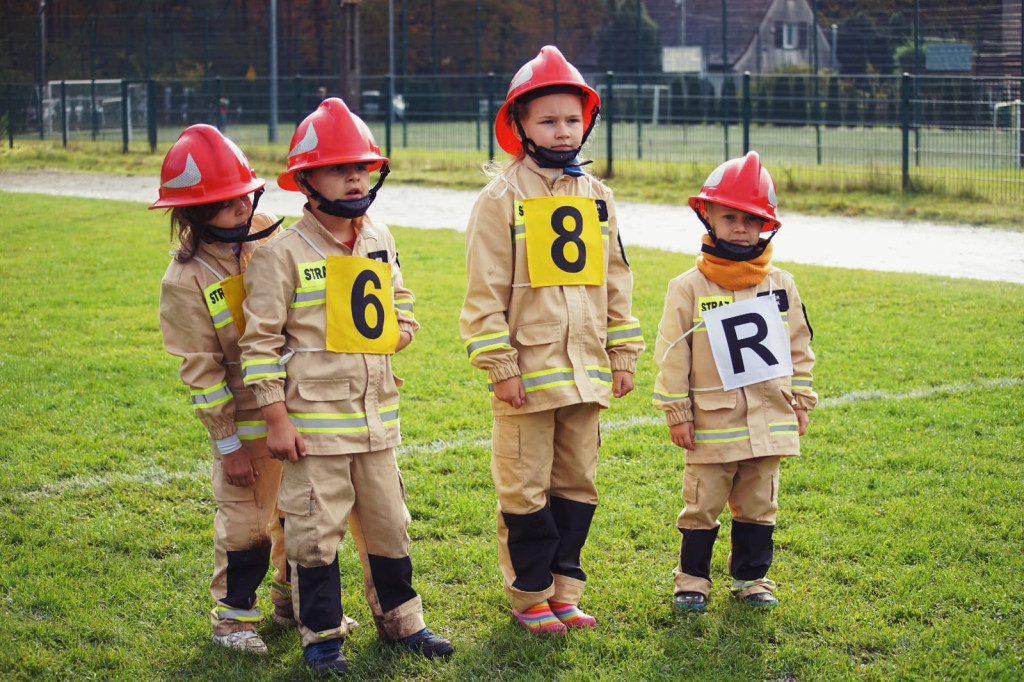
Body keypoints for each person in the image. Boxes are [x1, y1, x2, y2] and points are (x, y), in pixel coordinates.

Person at [238, 97, 453, 674]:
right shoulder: (279, 255)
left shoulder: (378, 236)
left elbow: (399, 303)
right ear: (306, 180)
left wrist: (401, 330)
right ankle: (323, 636)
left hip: (377, 420)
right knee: (315, 533)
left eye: (362, 166)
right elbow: (258, 346)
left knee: (390, 523)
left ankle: (403, 622)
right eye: (339, 167)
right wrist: (275, 417)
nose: (355, 176)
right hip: (313, 429)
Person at [459, 45, 644, 634]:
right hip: (528, 375)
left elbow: (616, 279)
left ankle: (566, 589)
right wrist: (499, 364)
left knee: (577, 485)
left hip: (586, 371)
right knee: (525, 488)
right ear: (518, 125)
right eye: (547, 120)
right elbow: (483, 291)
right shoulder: (500, 199)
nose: (563, 131)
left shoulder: (598, 196)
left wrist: (622, 352)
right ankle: (530, 596)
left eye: (572, 119)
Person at [651, 151, 817, 611]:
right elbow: (672, 355)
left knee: (760, 504)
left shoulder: (782, 283)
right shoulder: (687, 287)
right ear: (707, 215)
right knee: (701, 503)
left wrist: (801, 399)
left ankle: (752, 579)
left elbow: (799, 346)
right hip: (710, 422)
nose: (740, 227)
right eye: (729, 216)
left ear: (768, 225)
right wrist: (677, 412)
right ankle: (692, 579)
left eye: (751, 218)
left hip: (771, 420)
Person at [152, 124, 290, 654]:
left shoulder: (271, 235)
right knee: (245, 525)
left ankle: (290, 602)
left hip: (290, 413)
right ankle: (233, 622)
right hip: (245, 427)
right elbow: (202, 373)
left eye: (242, 195)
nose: (239, 207)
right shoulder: (184, 279)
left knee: (298, 516)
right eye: (222, 202)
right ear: (191, 210)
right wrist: (229, 445)